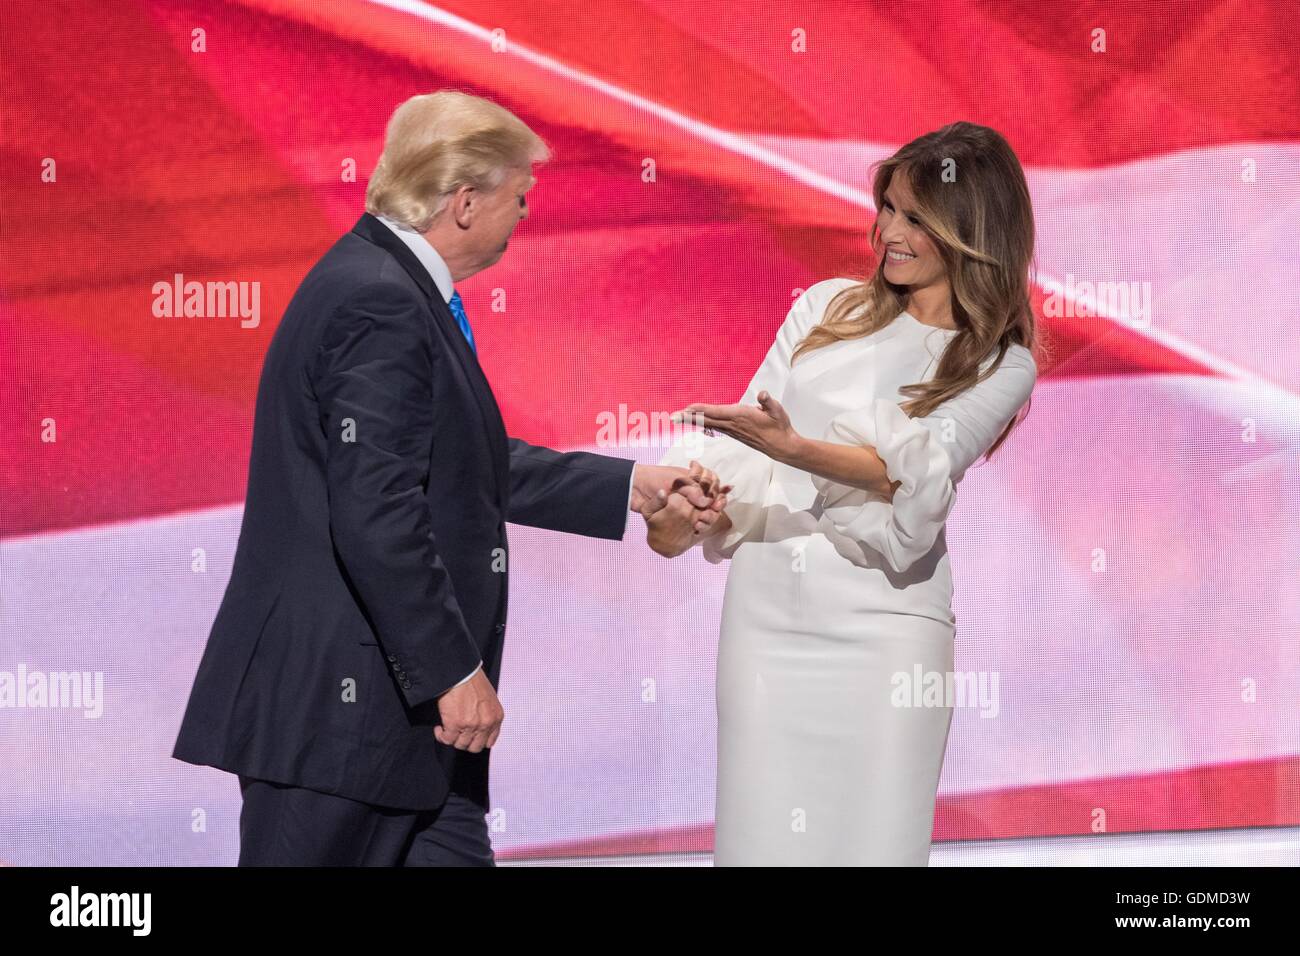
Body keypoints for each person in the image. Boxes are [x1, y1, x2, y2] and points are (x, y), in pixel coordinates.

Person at [172, 91, 723, 866]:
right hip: (344, 718)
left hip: (404, 733)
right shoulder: (380, 301)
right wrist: (451, 671)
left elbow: (457, 464)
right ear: (465, 203)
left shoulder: (383, 281)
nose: (526, 215)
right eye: (518, 198)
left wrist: (631, 485)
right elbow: (378, 510)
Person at [643, 122, 1040, 865]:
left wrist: (799, 451)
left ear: (971, 228)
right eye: (887, 208)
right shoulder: (827, 306)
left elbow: (924, 469)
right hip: (767, 624)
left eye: (916, 217)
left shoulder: (998, 360)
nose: (888, 232)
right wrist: (691, 498)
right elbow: (750, 431)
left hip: (887, 632)